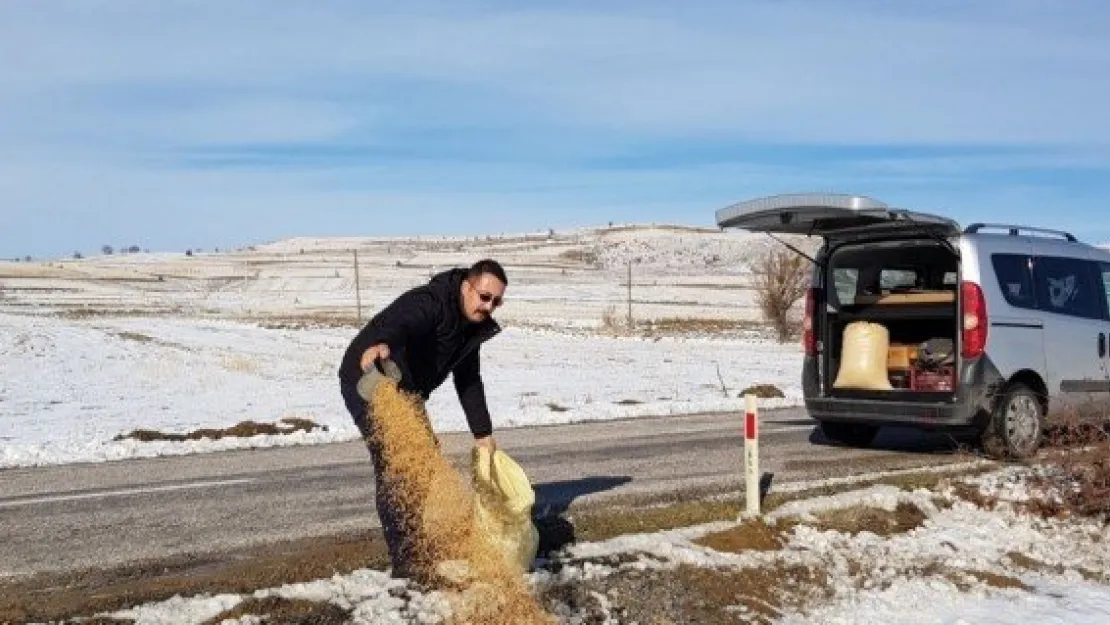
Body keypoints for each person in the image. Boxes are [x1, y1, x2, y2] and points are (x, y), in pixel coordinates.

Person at [337, 258, 508, 576]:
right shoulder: (432, 301)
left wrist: (483, 434)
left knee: (425, 461)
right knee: (397, 463)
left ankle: (413, 538)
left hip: (404, 386)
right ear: (467, 286)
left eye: (497, 301)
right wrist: (380, 343)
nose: (489, 306)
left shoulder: (472, 327)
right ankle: (407, 561)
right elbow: (402, 322)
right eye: (485, 296)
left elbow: (468, 380)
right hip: (369, 374)